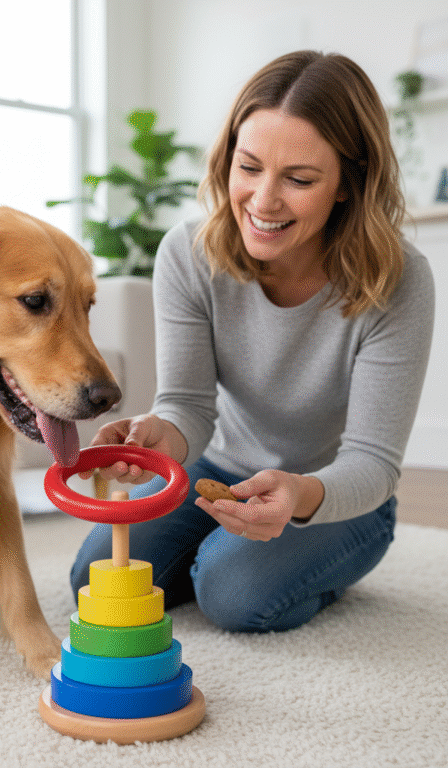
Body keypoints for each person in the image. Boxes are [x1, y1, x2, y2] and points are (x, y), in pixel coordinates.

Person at [71, 50, 435, 633]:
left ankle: (313, 563)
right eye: (249, 167)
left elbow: (372, 463)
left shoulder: (400, 278)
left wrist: (299, 495)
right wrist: (156, 437)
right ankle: (228, 555)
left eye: (299, 179)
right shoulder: (188, 255)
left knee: (232, 595)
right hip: (222, 467)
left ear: (348, 184)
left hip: (335, 492)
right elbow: (187, 407)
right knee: (97, 580)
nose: (263, 201)